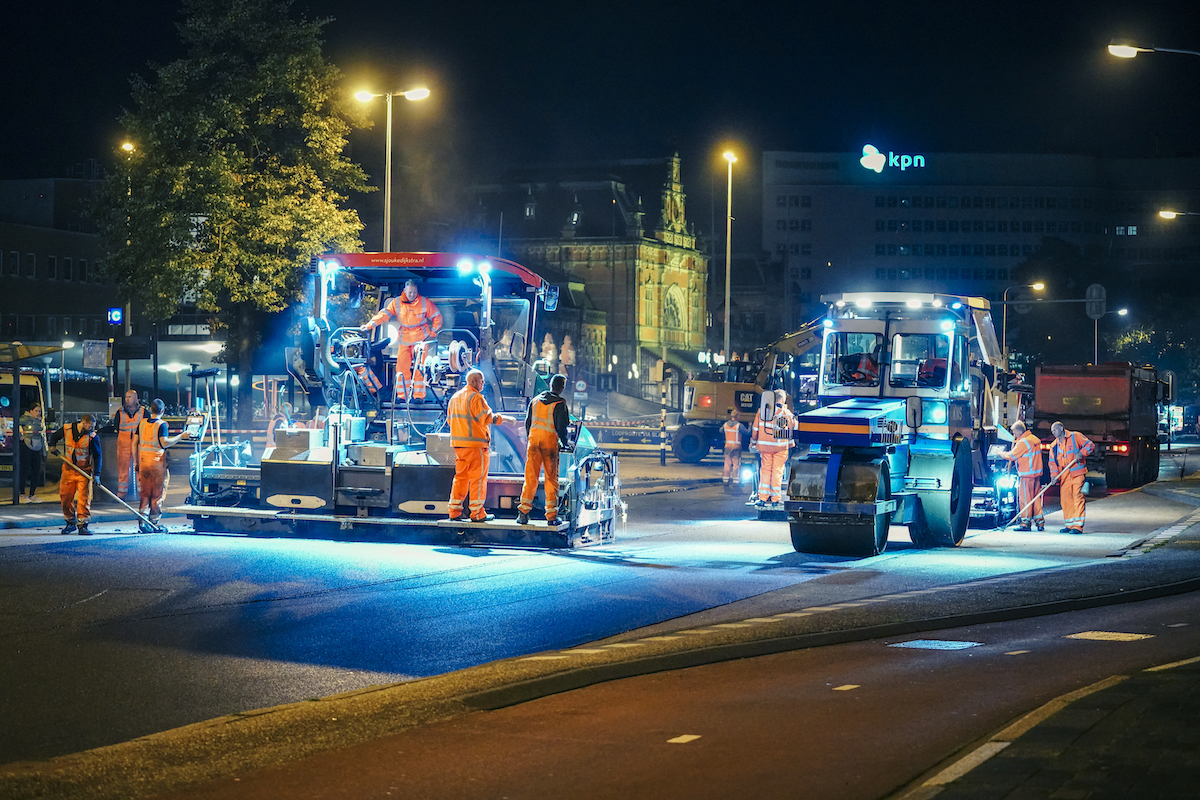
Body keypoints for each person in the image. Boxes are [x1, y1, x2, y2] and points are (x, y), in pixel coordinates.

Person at [360, 279, 443, 400]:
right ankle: (402, 395)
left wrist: (432, 333)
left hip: (421, 340)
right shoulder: (396, 302)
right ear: (405, 290)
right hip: (405, 339)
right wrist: (368, 326)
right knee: (401, 368)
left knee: (419, 368)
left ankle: (419, 396)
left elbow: (438, 317)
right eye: (410, 292)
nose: (412, 295)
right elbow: (383, 314)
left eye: (414, 292)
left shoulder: (424, 302)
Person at [447, 369, 509, 523]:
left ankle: (454, 511)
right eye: (481, 381)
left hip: (459, 446)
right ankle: (477, 513)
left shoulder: (455, 397)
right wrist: (504, 419)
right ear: (474, 382)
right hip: (475, 446)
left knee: (460, 478)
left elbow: (450, 420)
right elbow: (486, 418)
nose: (483, 383)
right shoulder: (476, 397)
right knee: (478, 479)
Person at [517, 373, 570, 526]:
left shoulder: (535, 401)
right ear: (562, 387)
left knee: (530, 477)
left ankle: (523, 513)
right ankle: (552, 516)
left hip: (533, 442)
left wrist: (532, 438)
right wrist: (565, 442)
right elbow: (561, 427)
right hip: (549, 444)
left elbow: (528, 423)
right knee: (551, 479)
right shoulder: (560, 403)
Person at [137, 399, 191, 532]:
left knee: (145, 493)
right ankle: (154, 523)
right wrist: (181, 436)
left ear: (151, 410)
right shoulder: (162, 425)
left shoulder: (142, 423)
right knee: (157, 494)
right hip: (156, 464)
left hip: (143, 462)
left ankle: (142, 522)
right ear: (162, 411)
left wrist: (136, 461)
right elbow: (165, 442)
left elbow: (135, 443)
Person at [48, 414, 102, 535]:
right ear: (83, 424)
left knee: (84, 499)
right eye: (91, 426)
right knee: (65, 497)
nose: (92, 429)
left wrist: (97, 474)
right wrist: (52, 446)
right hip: (68, 470)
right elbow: (54, 436)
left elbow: (98, 456)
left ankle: (83, 524)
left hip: (84, 471)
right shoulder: (67, 429)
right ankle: (70, 522)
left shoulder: (93, 437)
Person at [1049, 420, 1095, 534]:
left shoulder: (1075, 436)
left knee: (1077, 498)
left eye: (1055, 430)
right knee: (1065, 500)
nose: (1053, 432)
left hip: (1077, 473)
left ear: (1061, 428)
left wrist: (1082, 452)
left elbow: (1090, 445)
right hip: (1064, 475)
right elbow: (1052, 463)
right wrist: (1054, 476)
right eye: (1052, 431)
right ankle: (1069, 525)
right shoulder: (1054, 446)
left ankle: (1078, 526)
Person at [751, 392, 795, 505]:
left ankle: (763, 498)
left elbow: (755, 429)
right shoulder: (786, 413)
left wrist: (753, 442)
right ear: (783, 400)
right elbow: (793, 428)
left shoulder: (762, 411)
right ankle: (775, 499)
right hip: (780, 448)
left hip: (765, 447)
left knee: (765, 471)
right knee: (777, 472)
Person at [1001, 421, 1045, 531]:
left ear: (1020, 431)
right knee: (1036, 499)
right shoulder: (1034, 439)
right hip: (1036, 475)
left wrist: (1001, 454)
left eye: (1015, 432)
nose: (1014, 435)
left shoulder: (1023, 442)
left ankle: (1025, 523)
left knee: (1025, 499)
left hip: (1027, 475)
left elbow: (1012, 455)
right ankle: (1040, 523)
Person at [113, 390, 146, 500]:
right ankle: (121, 496)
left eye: (130, 397)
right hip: (124, 445)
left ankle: (143, 495)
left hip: (139, 445)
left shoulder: (144, 412)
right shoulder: (120, 411)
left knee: (140, 469)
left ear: (136, 398)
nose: (127, 399)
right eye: (126, 397)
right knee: (123, 471)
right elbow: (116, 426)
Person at [17, 403, 46, 503]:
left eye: (39, 411)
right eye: (36, 411)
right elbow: (14, 423)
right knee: (25, 469)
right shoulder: (25, 418)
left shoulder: (40, 420)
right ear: (31, 411)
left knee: (37, 470)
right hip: (27, 445)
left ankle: (32, 494)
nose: (38, 413)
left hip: (37, 447)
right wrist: (20, 433)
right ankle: (22, 493)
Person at [721, 407, 748, 489]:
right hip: (736, 448)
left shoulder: (725, 425)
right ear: (737, 416)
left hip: (727, 447)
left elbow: (720, 430)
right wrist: (750, 426)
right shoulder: (739, 425)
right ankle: (736, 481)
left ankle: (725, 480)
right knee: (736, 464)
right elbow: (747, 432)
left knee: (727, 463)